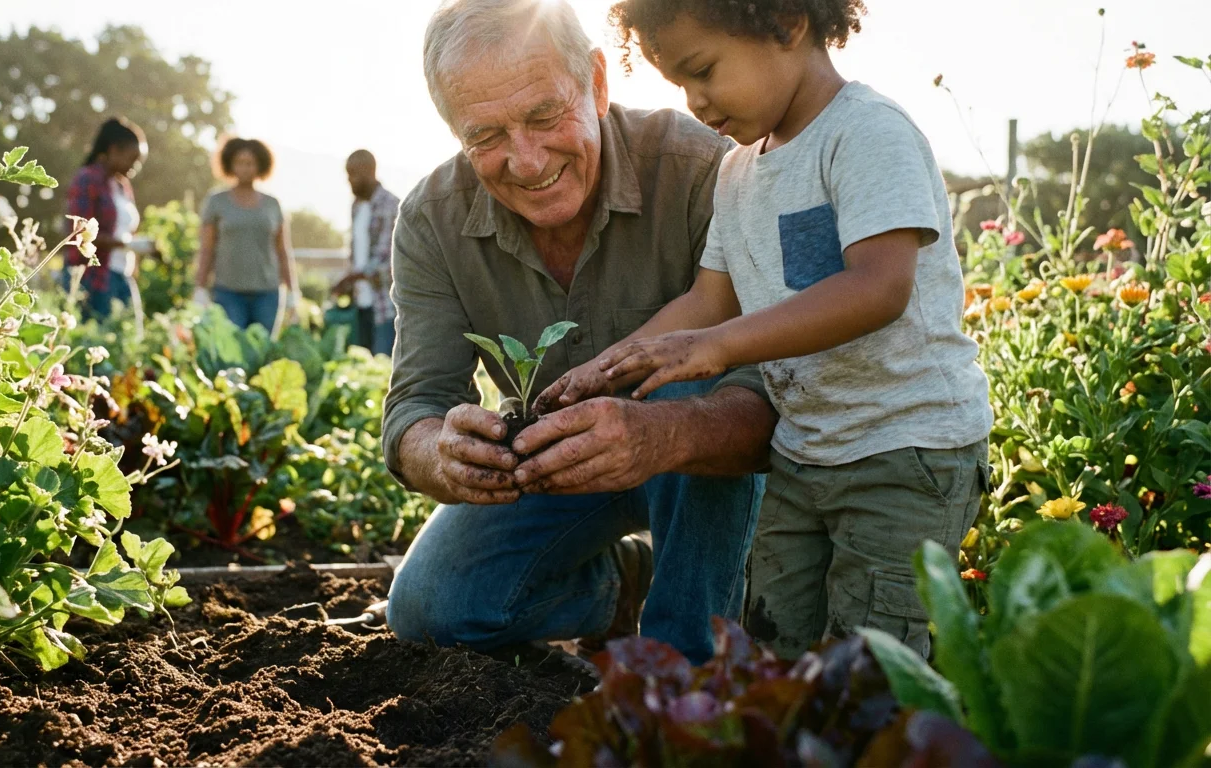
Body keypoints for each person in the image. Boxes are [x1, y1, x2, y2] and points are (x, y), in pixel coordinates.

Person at [543, 0, 994, 659]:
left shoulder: (867, 133)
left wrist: (715, 348)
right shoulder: (736, 171)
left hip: (906, 450)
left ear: (786, 23)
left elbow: (879, 287)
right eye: (679, 84)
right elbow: (709, 299)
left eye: (703, 70)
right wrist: (609, 368)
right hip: (804, 451)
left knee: (874, 663)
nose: (696, 100)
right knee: (774, 645)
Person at [381, 0, 775, 664]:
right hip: (550, 470)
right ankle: (622, 586)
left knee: (689, 379)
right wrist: (437, 450)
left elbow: (771, 398)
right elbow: (415, 403)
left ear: (597, 82)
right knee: (432, 609)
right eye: (486, 136)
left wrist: (661, 432)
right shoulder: (432, 220)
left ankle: (684, 671)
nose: (527, 161)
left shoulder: (703, 171)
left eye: (543, 116)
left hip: (707, 468)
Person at [195, 138, 295, 333]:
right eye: (240, 163)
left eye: (250, 163)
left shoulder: (272, 204)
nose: (245, 169)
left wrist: (293, 292)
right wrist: (200, 287)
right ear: (230, 165)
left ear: (259, 166)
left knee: (263, 353)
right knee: (232, 356)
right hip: (228, 292)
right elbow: (207, 249)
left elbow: (283, 251)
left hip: (267, 294)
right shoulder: (216, 202)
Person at [64, 117, 151, 320]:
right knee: (98, 338)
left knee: (128, 337)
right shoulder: (87, 178)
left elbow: (126, 231)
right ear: (113, 150)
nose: (135, 166)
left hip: (122, 274)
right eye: (132, 158)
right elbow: (79, 233)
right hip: (94, 276)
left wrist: (136, 247)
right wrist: (129, 244)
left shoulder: (122, 186)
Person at [332, 150, 401, 357]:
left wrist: (352, 277)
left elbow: (389, 260)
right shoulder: (357, 207)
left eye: (352, 174)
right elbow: (357, 254)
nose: (349, 181)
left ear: (368, 171)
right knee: (361, 364)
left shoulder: (391, 205)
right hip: (361, 302)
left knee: (383, 363)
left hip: (385, 305)